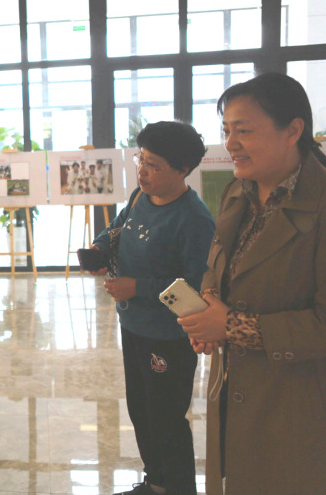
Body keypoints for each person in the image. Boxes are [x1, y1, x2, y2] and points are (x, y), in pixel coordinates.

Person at [177, 72, 326, 494]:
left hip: (299, 404)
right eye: (226, 130)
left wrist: (231, 326)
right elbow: (220, 261)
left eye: (243, 131)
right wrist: (209, 302)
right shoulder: (238, 192)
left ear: (292, 131)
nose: (230, 143)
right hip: (236, 389)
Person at [90, 121, 215, 495]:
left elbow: (195, 286)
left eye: (153, 165)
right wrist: (99, 248)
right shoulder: (140, 197)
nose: (142, 171)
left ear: (182, 170)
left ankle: (177, 487)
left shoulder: (194, 219)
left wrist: (137, 287)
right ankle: (157, 482)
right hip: (134, 325)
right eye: (140, 160)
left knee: (166, 416)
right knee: (141, 410)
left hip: (169, 335)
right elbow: (117, 228)